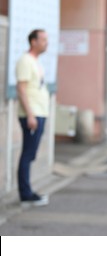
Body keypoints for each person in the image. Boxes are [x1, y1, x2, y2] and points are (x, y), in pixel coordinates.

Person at [15, 29, 50, 207]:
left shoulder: (35, 61)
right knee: (27, 154)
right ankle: (25, 193)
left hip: (39, 113)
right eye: (43, 39)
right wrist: (30, 114)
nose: (46, 42)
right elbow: (21, 89)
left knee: (30, 154)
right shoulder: (25, 61)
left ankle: (28, 191)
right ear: (33, 41)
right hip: (32, 114)